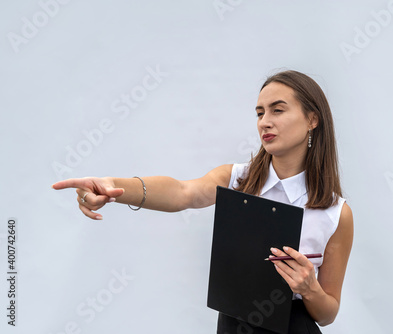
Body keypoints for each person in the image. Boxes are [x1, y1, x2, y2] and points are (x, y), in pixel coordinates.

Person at [52, 70, 354, 333]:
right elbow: (183, 192)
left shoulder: (335, 213)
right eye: (260, 112)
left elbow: (327, 314)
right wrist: (114, 187)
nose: (265, 122)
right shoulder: (238, 180)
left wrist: (309, 288)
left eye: (278, 110)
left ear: (312, 119)